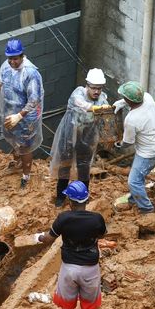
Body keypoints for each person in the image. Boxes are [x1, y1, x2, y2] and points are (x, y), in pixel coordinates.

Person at [36, 181, 106, 309]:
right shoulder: (97, 219)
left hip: (69, 268)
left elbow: (48, 239)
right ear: (87, 199)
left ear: (70, 200)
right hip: (90, 268)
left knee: (68, 300)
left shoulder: (63, 218)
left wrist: (39, 237)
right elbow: (102, 235)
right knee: (88, 302)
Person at [0, 38, 44, 188]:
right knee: (15, 140)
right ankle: (18, 163)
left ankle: (26, 176)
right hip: (10, 112)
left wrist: (19, 116)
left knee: (25, 145)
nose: (12, 62)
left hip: (26, 116)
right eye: (10, 58)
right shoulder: (6, 67)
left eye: (15, 58)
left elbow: (34, 100)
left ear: (22, 55)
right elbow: (2, 83)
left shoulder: (30, 73)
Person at [49, 69, 111, 207]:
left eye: (99, 88)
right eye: (94, 88)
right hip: (70, 134)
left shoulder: (102, 99)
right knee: (65, 165)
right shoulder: (78, 93)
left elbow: (105, 119)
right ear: (87, 85)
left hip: (87, 136)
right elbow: (81, 105)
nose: (96, 91)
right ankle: (61, 196)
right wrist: (100, 109)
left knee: (84, 167)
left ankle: (83, 196)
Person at [113, 81, 155, 214]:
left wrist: (118, 145)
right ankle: (133, 199)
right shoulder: (148, 99)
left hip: (148, 153)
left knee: (133, 181)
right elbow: (134, 99)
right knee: (138, 175)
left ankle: (146, 209)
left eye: (124, 97)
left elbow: (128, 142)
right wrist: (122, 103)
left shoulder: (132, 119)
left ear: (128, 100)